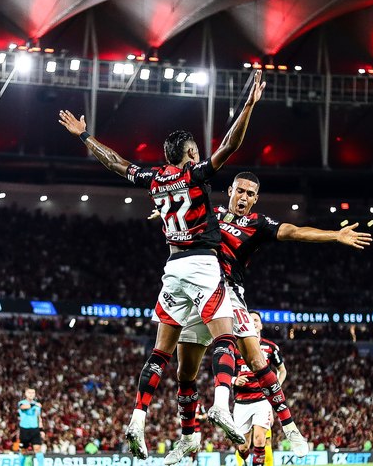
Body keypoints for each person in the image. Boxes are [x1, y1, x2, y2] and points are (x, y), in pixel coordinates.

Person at [59, 70, 266, 458]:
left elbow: (116, 163)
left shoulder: (153, 179)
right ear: (189, 154)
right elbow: (231, 144)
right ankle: (221, 406)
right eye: (195, 150)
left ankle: (137, 420)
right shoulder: (196, 173)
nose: (199, 153)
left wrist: (85, 136)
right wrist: (249, 107)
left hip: (172, 271)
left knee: (160, 353)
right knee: (225, 336)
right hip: (204, 265)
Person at [162, 171, 371, 464]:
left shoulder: (257, 223)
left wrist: (335, 235)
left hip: (228, 291)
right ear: (230, 191)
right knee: (185, 372)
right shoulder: (211, 214)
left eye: (250, 194)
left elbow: (294, 231)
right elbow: (181, 216)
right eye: (240, 191)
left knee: (257, 360)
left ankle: (290, 427)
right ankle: (188, 438)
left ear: (256, 199)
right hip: (198, 291)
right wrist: (168, 217)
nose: (244, 197)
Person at [229, 310, 285, 466]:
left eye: (256, 320)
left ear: (261, 325)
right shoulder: (236, 347)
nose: (253, 322)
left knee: (260, 439)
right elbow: (223, 373)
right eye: (250, 319)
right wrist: (234, 380)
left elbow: (282, 370)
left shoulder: (271, 347)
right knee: (243, 446)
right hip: (241, 401)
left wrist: (274, 387)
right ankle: (246, 461)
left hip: (262, 399)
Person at [18, 388, 43, 466]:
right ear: (25, 394)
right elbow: (23, 407)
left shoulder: (37, 405)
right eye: (29, 392)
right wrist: (34, 404)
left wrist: (41, 430)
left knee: (38, 449)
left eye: (33, 392)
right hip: (24, 430)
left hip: (35, 430)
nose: (31, 394)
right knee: (23, 451)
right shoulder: (22, 403)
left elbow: (39, 418)